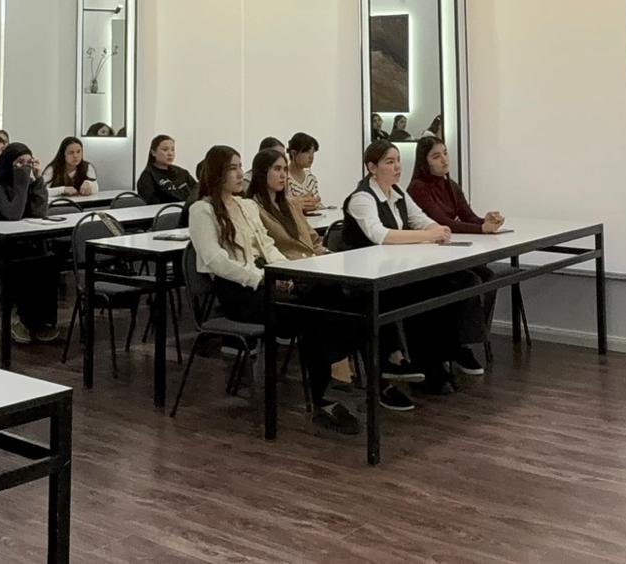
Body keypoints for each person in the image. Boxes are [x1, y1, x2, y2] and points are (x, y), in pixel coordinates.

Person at [191, 146, 359, 435]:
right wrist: (262, 278)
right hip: (238, 293)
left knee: (329, 295)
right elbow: (215, 260)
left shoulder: (245, 206)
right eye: (232, 168)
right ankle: (326, 394)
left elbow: (267, 247)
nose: (239, 174)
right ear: (217, 173)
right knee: (311, 314)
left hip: (264, 282)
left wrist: (286, 273)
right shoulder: (202, 210)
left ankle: (335, 378)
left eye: (240, 166)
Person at [343, 139, 487, 409]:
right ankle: (417, 367)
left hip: (394, 271)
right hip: (367, 281)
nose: (397, 167)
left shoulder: (397, 192)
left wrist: (437, 229)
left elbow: (420, 218)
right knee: (426, 294)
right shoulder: (362, 198)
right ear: (372, 167)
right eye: (390, 162)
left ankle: (443, 357)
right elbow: (380, 235)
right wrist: (428, 235)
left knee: (458, 283)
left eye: (398, 161)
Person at [408, 135, 504, 364]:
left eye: (445, 153)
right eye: (436, 156)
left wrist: (487, 220)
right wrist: (481, 229)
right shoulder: (418, 188)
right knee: (470, 281)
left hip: (450, 251)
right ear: (424, 162)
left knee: (488, 276)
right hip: (429, 257)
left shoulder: (450, 185)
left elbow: (468, 217)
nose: (444, 160)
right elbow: (442, 222)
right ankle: (459, 344)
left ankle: (469, 339)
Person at [0, 142, 55, 344]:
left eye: (29, 162)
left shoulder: (26, 182)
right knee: (24, 265)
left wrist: (38, 180)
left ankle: (40, 320)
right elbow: (13, 214)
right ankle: (17, 319)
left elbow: (40, 212)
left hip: (19, 241)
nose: (25, 167)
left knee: (46, 262)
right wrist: (22, 181)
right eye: (20, 162)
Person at [137, 134, 197, 204]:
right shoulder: (147, 176)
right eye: (165, 149)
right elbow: (150, 203)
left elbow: (198, 191)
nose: (170, 153)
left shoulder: (182, 172)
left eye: (173, 150)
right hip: (164, 210)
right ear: (153, 152)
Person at [285, 132, 322, 212]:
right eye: (307, 152)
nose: (311, 157)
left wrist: (316, 204)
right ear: (294, 153)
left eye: (313, 152)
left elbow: (317, 204)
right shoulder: (284, 178)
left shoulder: (311, 178)